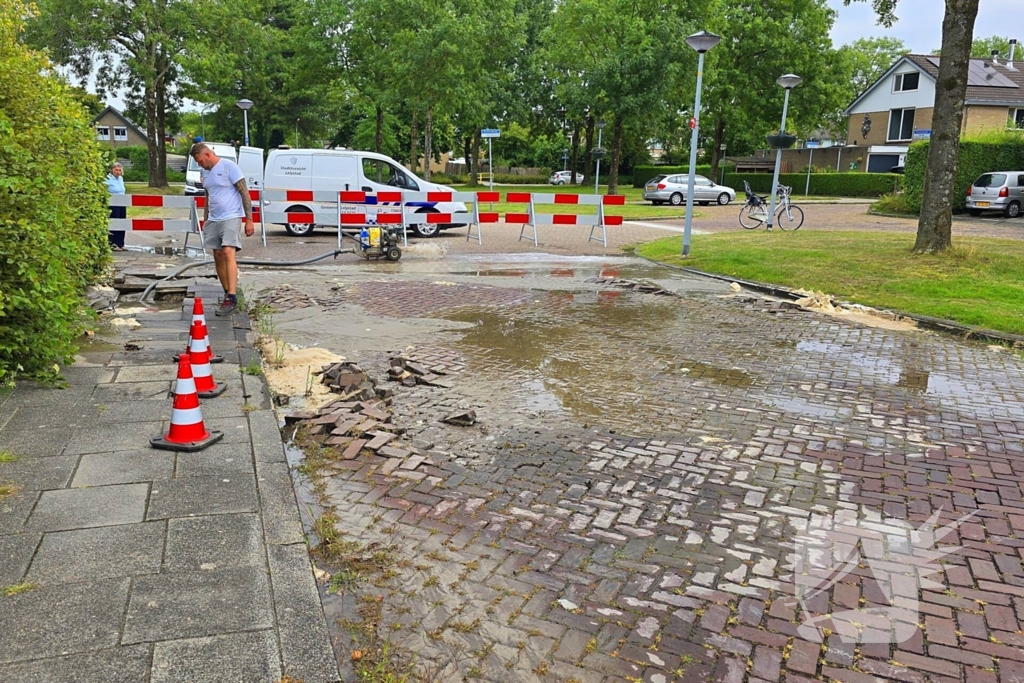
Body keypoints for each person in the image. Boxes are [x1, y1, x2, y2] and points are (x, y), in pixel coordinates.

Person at [189, 142, 255, 315]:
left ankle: (232, 297)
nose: (199, 165)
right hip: (213, 218)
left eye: (200, 161)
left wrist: (249, 219)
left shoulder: (229, 167)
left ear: (208, 155)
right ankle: (227, 292)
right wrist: (205, 220)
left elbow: (244, 192)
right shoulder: (205, 172)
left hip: (231, 217)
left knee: (227, 252)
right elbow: (208, 196)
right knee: (217, 255)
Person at [106, 162, 126, 250]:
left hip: (122, 202)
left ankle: (120, 243)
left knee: (122, 222)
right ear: (112, 170)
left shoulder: (121, 178)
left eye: (119, 170)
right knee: (114, 222)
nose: (118, 172)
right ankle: (112, 243)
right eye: (116, 170)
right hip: (113, 203)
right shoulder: (108, 178)